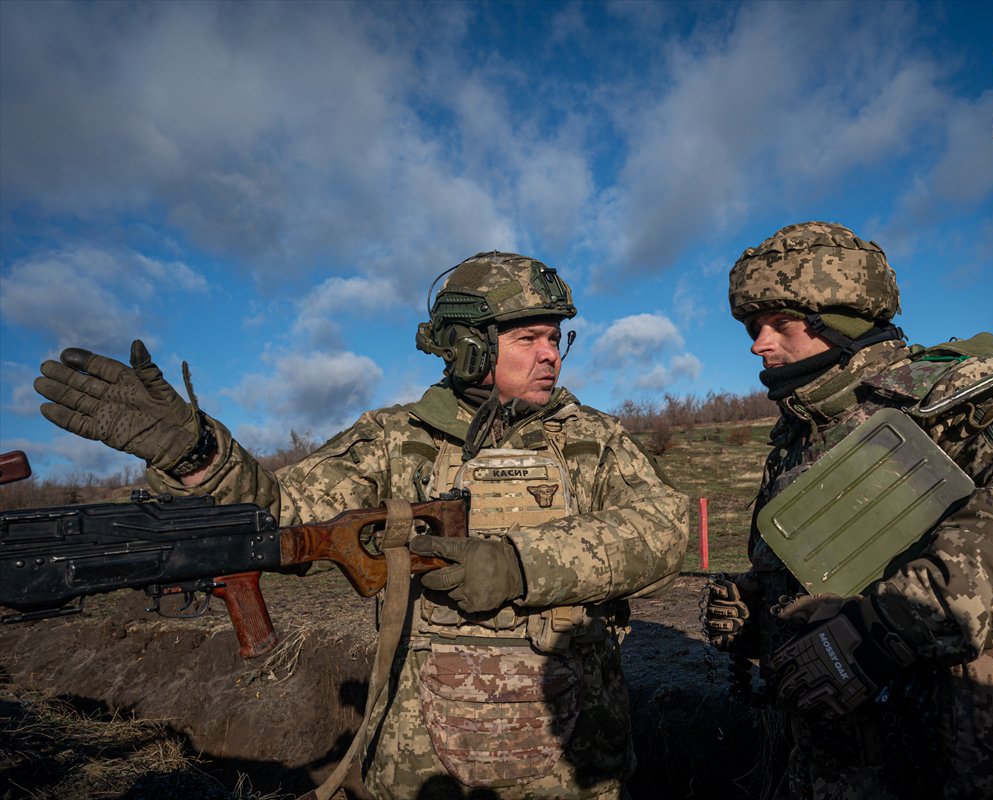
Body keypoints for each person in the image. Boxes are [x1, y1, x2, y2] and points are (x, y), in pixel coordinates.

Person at [34, 251, 689, 800]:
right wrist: (200, 456)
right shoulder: (391, 442)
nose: (551, 355)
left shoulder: (593, 439)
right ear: (466, 347)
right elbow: (282, 512)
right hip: (426, 768)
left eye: (556, 337)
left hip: (575, 765)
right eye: (529, 338)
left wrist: (521, 565)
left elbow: (662, 529)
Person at [703, 222, 993, 799]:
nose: (759, 344)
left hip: (954, 749)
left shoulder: (954, 389)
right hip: (833, 764)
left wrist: (886, 628)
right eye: (753, 328)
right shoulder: (797, 440)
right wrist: (764, 613)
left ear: (843, 319)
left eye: (780, 325)